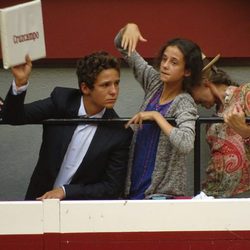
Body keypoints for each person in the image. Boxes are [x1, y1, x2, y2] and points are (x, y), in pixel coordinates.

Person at [2, 51, 133, 200]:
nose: (114, 91)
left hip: (79, 213)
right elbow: (14, 117)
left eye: (117, 83)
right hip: (37, 203)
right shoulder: (61, 102)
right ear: (85, 88)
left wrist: (66, 191)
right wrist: (20, 83)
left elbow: (112, 187)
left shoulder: (120, 131)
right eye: (105, 85)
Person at [114, 23, 203, 199]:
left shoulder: (184, 102)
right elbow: (122, 47)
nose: (165, 65)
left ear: (187, 71)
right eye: (164, 59)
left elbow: (186, 143)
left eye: (174, 62)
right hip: (132, 188)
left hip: (161, 195)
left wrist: (156, 116)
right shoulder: (154, 82)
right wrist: (129, 27)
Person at [191, 55, 250, 198]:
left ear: (204, 82)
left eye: (190, 90)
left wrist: (244, 131)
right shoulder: (210, 122)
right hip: (214, 197)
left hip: (243, 198)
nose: (191, 99)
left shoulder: (245, 94)